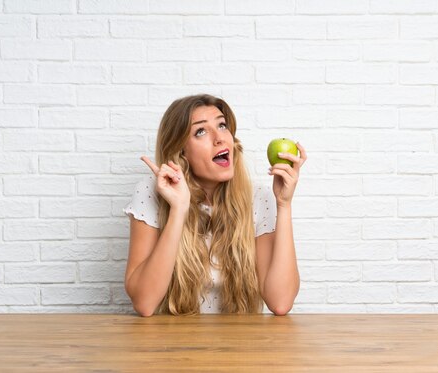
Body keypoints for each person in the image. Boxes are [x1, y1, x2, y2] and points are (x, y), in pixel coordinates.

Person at [122, 94, 307, 316]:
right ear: (181, 152)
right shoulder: (152, 192)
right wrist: (179, 209)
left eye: (222, 125)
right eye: (200, 131)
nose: (219, 138)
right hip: (170, 345)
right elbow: (144, 303)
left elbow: (281, 303)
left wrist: (284, 204)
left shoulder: (257, 197)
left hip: (240, 344)